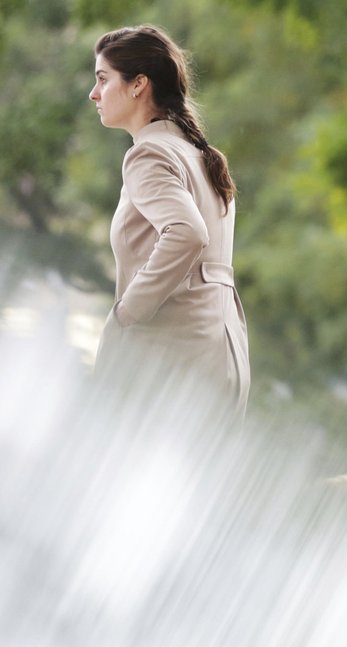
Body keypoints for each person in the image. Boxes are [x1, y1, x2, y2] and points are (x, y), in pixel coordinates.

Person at [89, 25, 249, 423]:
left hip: (171, 365)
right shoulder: (199, 154)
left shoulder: (148, 154)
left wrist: (127, 313)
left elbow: (188, 233)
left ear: (138, 84)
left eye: (103, 79)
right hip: (223, 356)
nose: (94, 94)